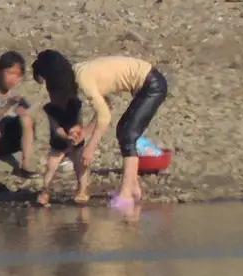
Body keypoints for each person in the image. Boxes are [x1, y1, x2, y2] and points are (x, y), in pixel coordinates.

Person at [34, 49, 168, 207]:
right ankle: (133, 188)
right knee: (125, 132)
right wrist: (85, 132)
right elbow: (107, 105)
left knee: (127, 135)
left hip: (152, 85)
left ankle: (126, 194)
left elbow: (104, 116)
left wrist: (91, 146)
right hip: (146, 83)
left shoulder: (83, 80)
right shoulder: (77, 73)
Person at [31, 50, 90, 206]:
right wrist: (66, 137)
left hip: (76, 141)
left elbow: (78, 123)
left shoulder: (74, 104)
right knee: (51, 165)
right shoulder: (51, 109)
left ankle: (82, 190)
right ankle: (45, 191)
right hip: (59, 142)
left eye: (59, 97)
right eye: (54, 97)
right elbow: (56, 128)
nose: (57, 100)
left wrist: (74, 133)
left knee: (80, 164)